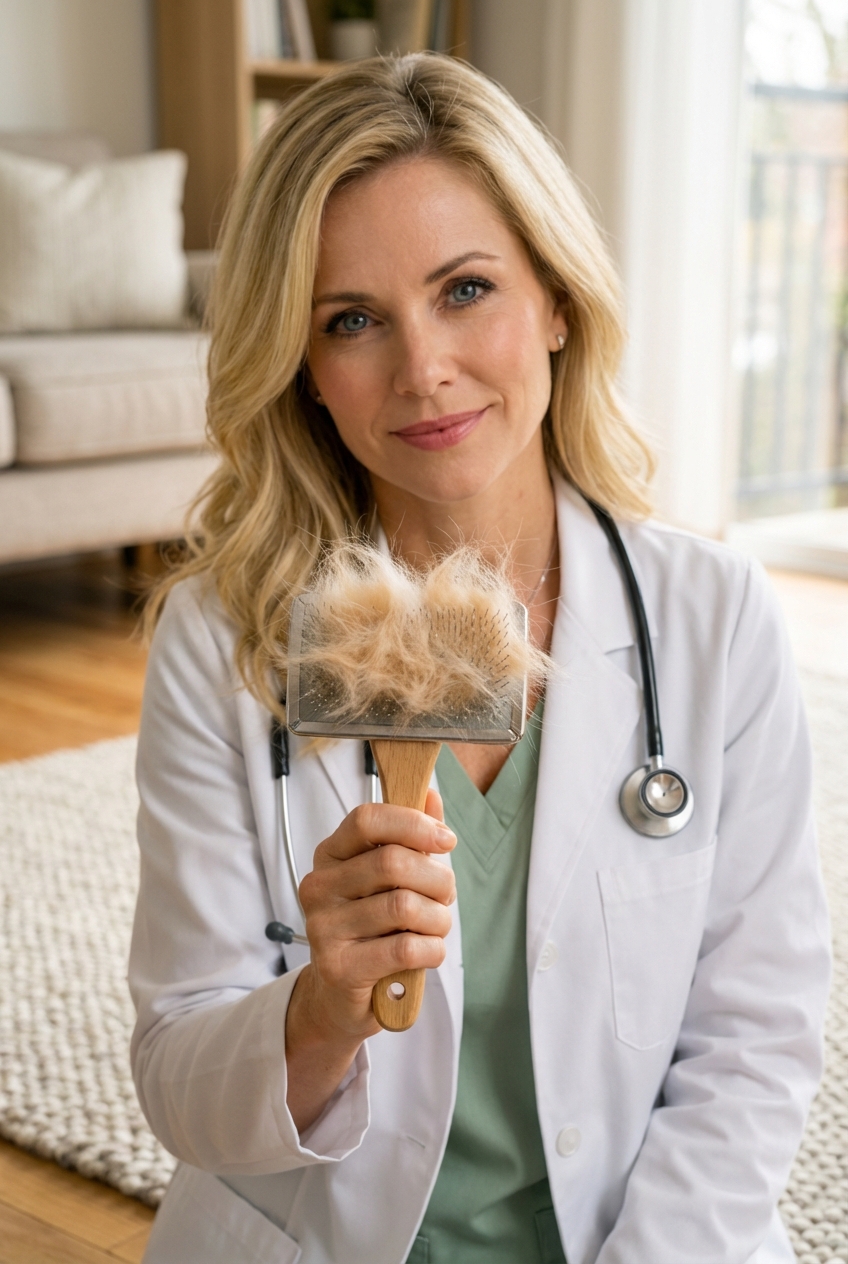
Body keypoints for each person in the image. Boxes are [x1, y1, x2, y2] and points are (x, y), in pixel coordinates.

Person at [129, 54, 830, 1264]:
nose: (422, 369)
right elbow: (176, 1080)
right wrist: (317, 1013)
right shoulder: (219, 640)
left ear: (555, 298)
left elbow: (753, 1045)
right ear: (299, 366)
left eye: (465, 289)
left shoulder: (714, 620)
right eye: (350, 320)